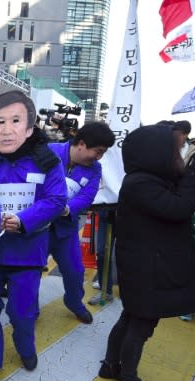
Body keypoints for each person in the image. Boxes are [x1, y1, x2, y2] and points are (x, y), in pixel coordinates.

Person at [97, 124, 195, 381]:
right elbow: (179, 208)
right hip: (149, 267)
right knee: (141, 324)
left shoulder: (144, 180)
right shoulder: (142, 183)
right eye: (175, 149)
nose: (180, 154)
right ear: (155, 153)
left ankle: (110, 365)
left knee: (131, 316)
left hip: (144, 263)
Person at [0, 90, 66, 381]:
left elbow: (56, 199)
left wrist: (23, 221)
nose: (8, 129)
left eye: (16, 120)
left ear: (29, 127)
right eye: (0, 121)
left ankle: (26, 348)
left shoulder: (47, 161)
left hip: (28, 252)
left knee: (22, 311)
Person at [47, 121, 115, 324]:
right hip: (37, 229)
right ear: (82, 144)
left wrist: (67, 209)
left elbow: (87, 196)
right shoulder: (49, 152)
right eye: (98, 151)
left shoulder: (95, 169)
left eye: (103, 153)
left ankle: (74, 303)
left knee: (75, 271)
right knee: (30, 273)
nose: (99, 157)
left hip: (65, 228)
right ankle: (29, 309)